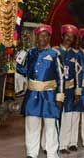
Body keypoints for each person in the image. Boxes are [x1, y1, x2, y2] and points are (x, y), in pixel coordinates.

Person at [16, 24, 64, 158]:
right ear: (36, 37)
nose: (42, 38)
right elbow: (25, 71)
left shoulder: (55, 54)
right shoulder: (30, 53)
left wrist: (60, 97)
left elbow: (61, 77)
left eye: (45, 35)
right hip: (32, 95)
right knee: (31, 125)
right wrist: (18, 62)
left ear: (49, 37)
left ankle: (52, 153)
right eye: (39, 36)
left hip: (49, 96)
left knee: (51, 126)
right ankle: (31, 153)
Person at [56, 24, 80, 154]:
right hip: (56, 91)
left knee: (68, 117)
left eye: (72, 37)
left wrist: (77, 91)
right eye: (67, 36)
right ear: (62, 36)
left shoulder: (75, 54)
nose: (69, 39)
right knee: (53, 118)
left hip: (70, 90)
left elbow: (78, 74)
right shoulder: (54, 52)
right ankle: (49, 144)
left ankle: (63, 145)